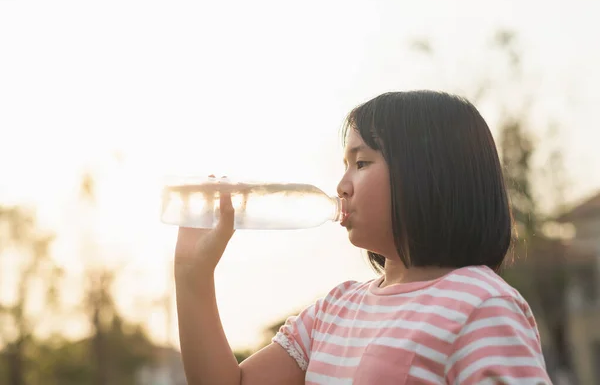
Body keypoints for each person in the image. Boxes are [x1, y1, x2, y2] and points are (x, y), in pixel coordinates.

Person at [174, 91, 552, 384]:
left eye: (362, 163)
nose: (341, 186)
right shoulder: (334, 310)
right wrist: (192, 276)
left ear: (427, 174)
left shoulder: (481, 305)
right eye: (345, 166)